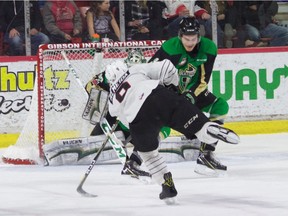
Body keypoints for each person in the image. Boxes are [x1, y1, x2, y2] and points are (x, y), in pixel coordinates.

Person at [105, 59, 239, 202]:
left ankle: (166, 185)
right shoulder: (135, 69)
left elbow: (126, 121)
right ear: (124, 68)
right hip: (158, 95)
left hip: (138, 119)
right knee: (196, 124)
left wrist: (141, 132)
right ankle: (210, 129)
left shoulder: (112, 101)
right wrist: (173, 89)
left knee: (149, 155)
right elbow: (167, 67)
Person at [149, 16, 230, 176]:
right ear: (180, 36)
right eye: (187, 39)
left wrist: (191, 95)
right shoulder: (170, 47)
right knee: (165, 120)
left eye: (193, 39)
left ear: (199, 37)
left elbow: (204, 79)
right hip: (169, 93)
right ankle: (143, 155)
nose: (190, 42)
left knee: (221, 106)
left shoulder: (208, 48)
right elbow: (151, 71)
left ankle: (206, 155)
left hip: (192, 92)